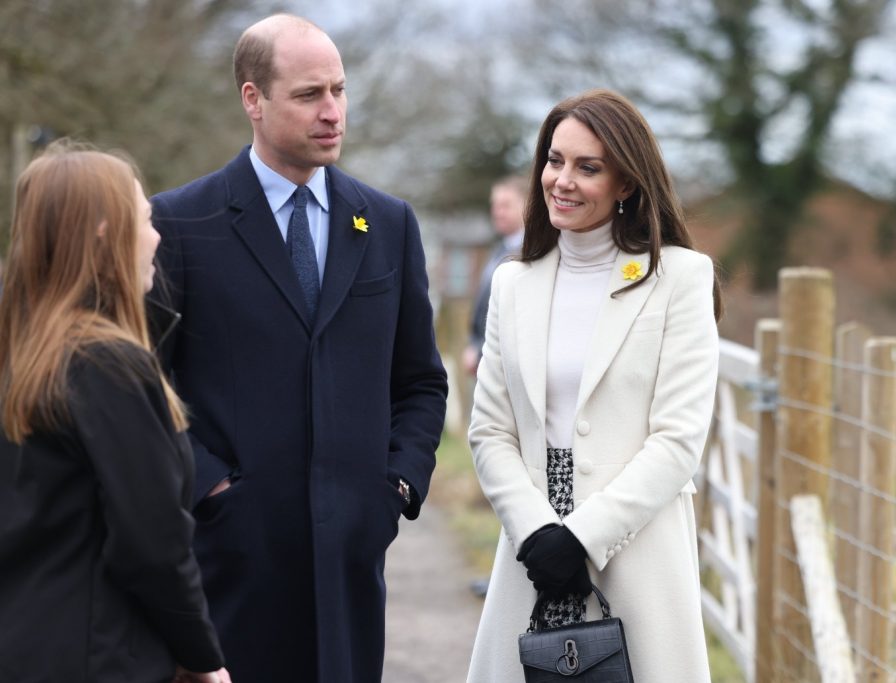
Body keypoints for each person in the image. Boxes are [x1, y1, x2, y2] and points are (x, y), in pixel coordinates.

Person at [149, 13, 448, 683]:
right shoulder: (181, 222)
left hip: (351, 562)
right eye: (310, 94)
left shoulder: (388, 223)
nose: (333, 111)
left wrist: (396, 483)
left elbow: (421, 381)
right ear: (252, 99)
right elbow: (149, 382)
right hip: (231, 566)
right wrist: (212, 488)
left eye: (339, 90)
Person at [466, 89, 723, 682]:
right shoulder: (513, 284)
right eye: (555, 161)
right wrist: (537, 533)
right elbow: (490, 432)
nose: (563, 180)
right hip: (533, 551)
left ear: (626, 184)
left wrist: (581, 537)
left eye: (589, 167)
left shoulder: (680, 278)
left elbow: (678, 439)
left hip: (635, 550)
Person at [0, 142, 230, 683]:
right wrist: (203, 657)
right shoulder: (107, 366)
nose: (157, 238)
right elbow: (152, 544)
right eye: (146, 219)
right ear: (106, 231)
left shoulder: (19, 354)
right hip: (96, 657)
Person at [461, 176, 528, 377]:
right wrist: (474, 345)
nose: (497, 212)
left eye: (505, 205)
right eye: (495, 206)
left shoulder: (531, 254)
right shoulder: (499, 249)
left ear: (527, 206)